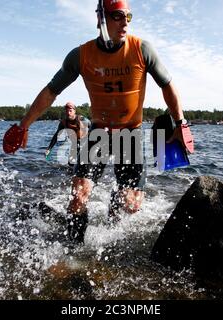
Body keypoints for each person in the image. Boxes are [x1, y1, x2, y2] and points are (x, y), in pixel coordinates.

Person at [17, 0, 188, 244]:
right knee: (78, 197)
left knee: (130, 205)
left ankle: (116, 204)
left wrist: (180, 123)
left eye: (128, 17)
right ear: (101, 18)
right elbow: (51, 91)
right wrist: (24, 125)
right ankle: (74, 252)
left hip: (130, 135)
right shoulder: (81, 55)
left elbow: (167, 85)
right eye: (118, 16)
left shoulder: (142, 49)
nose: (125, 23)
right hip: (99, 135)